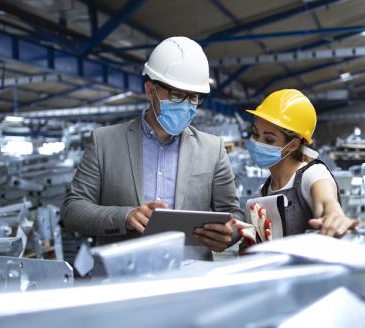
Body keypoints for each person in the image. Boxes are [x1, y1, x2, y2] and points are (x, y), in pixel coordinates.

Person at [62, 36, 245, 259]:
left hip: (190, 277)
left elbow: (234, 214)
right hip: (121, 276)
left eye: (194, 97)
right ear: (151, 91)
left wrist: (231, 233)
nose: (187, 106)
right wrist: (126, 216)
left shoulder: (213, 149)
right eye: (178, 96)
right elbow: (73, 210)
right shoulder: (105, 142)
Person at [241, 89, 359, 243]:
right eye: (256, 134)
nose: (258, 143)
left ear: (293, 145)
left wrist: (333, 216)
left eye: (269, 139)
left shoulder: (313, 175)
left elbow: (326, 202)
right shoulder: (265, 189)